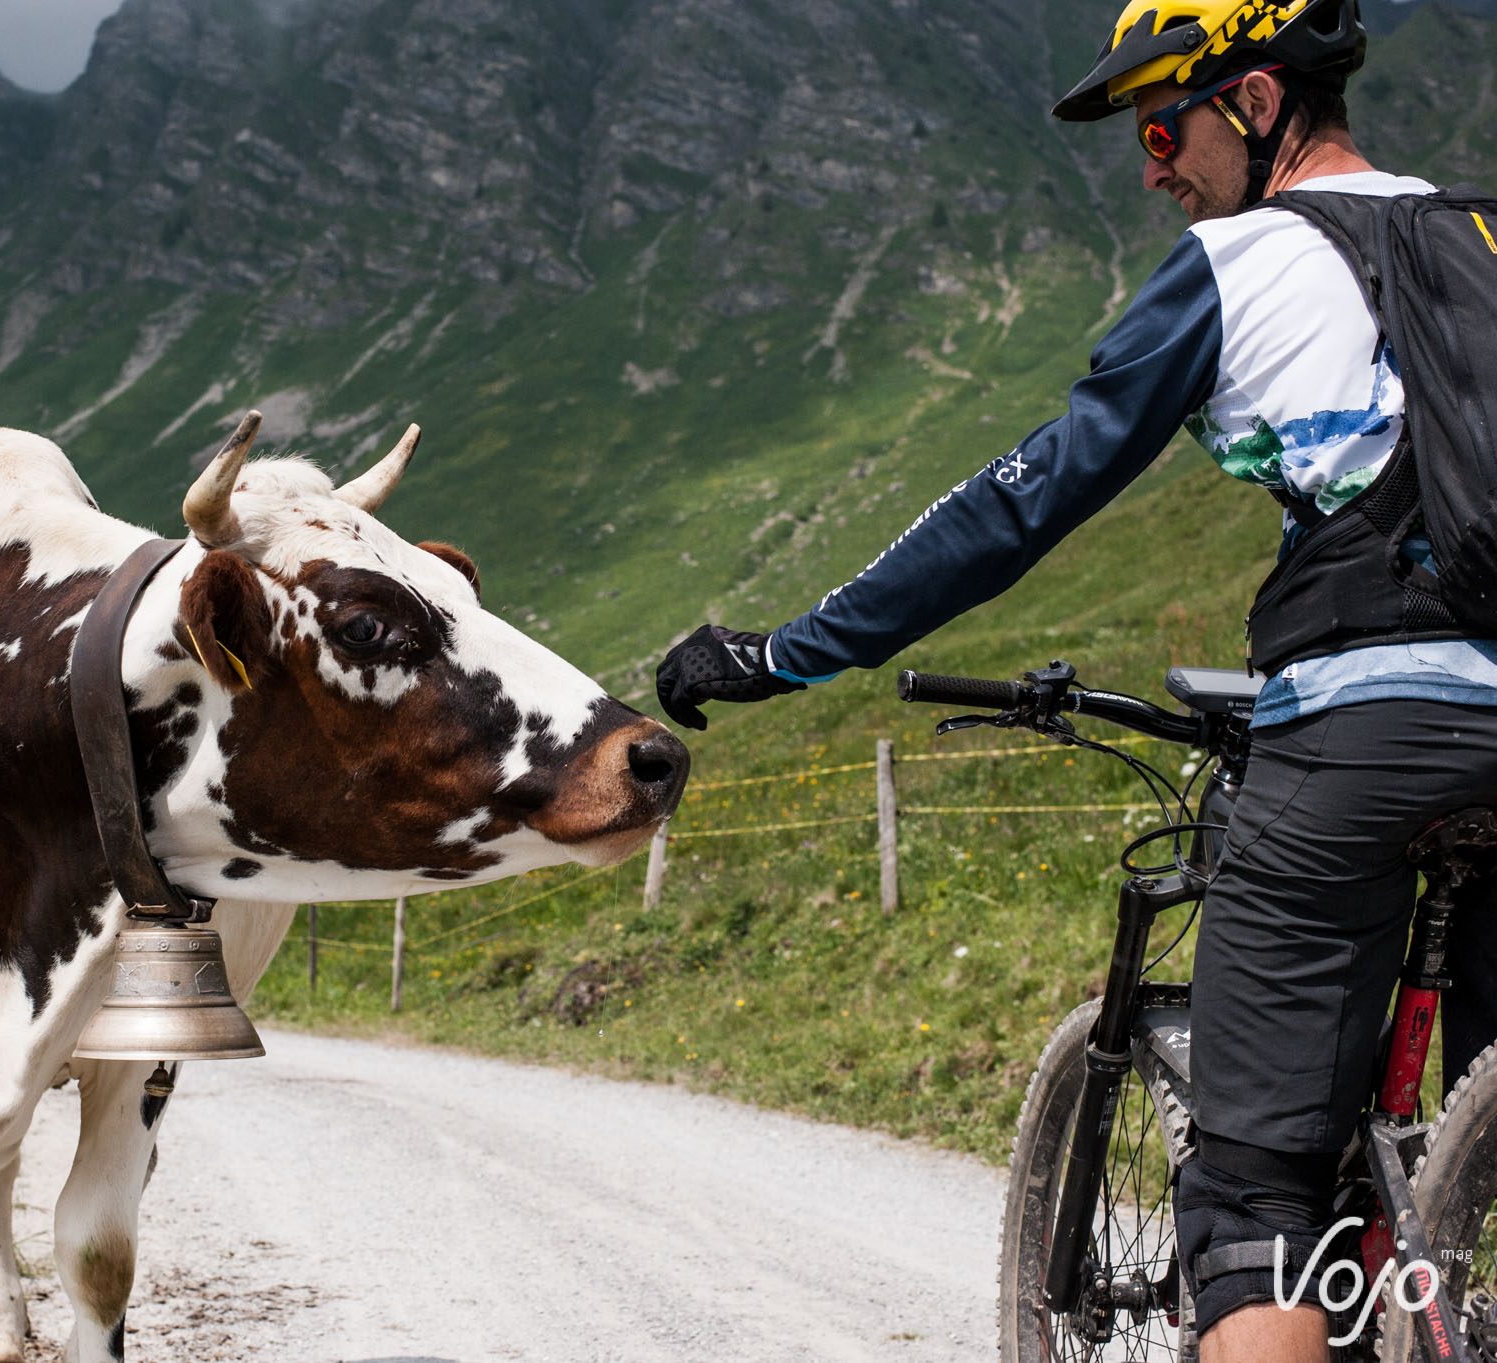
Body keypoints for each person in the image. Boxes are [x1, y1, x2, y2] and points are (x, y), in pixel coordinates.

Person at [655, 2, 1497, 1359]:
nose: (1153, 170)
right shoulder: (1482, 232)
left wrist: (786, 650)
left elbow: (1020, 501)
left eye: (1164, 131)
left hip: (1365, 739)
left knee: (1258, 1200)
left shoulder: (1238, 263)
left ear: (1258, 102)